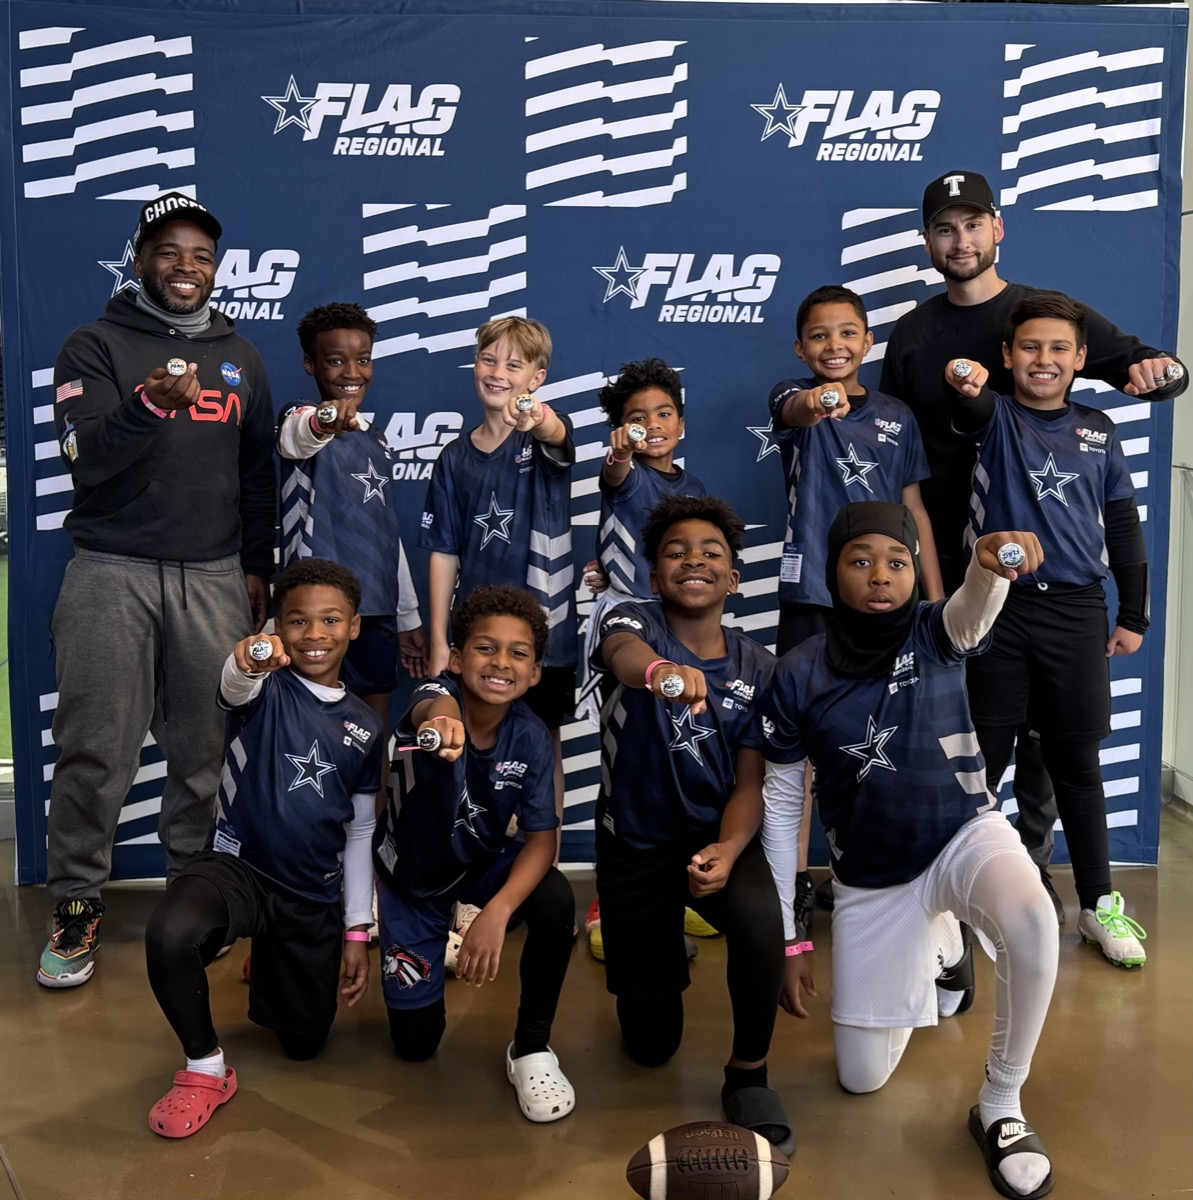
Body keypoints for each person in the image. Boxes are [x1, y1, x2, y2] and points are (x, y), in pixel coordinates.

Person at [878, 168, 1185, 915]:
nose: (960, 241)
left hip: (1059, 585)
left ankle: (1036, 874)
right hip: (956, 573)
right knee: (971, 741)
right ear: (927, 242)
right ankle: (965, 885)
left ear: (997, 229)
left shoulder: (1045, 315)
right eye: (945, 229)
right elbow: (889, 446)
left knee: (1058, 748)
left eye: (972, 225)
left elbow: (1151, 369)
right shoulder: (914, 333)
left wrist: (1167, 372)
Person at [761, 501, 1059, 1200]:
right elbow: (780, 808)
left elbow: (970, 614)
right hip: (870, 876)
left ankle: (1001, 1104)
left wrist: (989, 568)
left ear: (913, 570)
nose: (879, 575)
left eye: (896, 561)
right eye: (860, 560)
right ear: (832, 572)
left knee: (1033, 920)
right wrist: (790, 938)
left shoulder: (933, 629)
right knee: (860, 1078)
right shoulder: (797, 672)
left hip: (961, 834)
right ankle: (945, 950)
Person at [40, 193, 275, 989]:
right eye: (169, 251)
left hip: (213, 575)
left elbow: (256, 474)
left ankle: (192, 896)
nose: (186, 267)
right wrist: (147, 406)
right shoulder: (94, 344)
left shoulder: (240, 356)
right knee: (95, 750)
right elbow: (85, 459)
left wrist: (257, 563)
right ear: (140, 260)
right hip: (112, 569)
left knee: (204, 751)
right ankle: (76, 902)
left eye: (201, 255)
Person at [143, 559, 382, 1138]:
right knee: (170, 934)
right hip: (238, 868)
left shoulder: (366, 727)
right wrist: (248, 660)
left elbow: (359, 833)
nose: (314, 633)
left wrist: (356, 930)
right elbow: (234, 682)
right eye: (297, 621)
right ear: (277, 626)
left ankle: (274, 954)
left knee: (303, 1044)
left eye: (331, 620)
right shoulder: (265, 686)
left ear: (354, 627)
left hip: (310, 891)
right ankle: (205, 1068)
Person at [945, 293, 1150, 968]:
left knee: (1076, 766)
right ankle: (960, 907)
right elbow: (968, 402)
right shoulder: (992, 416)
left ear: (1080, 358)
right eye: (1030, 346)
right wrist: (965, 380)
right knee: (982, 764)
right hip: (997, 610)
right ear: (1007, 355)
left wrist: (1132, 615)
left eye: (1059, 348)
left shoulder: (1098, 429)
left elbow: (1122, 524)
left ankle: (1096, 905)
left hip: (1076, 612)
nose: (1044, 359)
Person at [590, 494, 791, 1151]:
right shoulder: (633, 621)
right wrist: (659, 671)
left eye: (710, 552)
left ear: (733, 578)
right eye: (675, 553)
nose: (693, 560)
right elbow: (622, 652)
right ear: (655, 577)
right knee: (650, 1048)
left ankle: (749, 1071)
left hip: (712, 840)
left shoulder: (759, 667)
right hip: (635, 845)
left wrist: (730, 849)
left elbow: (749, 783)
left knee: (759, 917)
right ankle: (660, 950)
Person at [767, 284, 943, 944]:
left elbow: (914, 511)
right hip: (811, 600)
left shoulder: (897, 415)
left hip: (888, 610)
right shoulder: (792, 398)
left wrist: (932, 600)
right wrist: (819, 401)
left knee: (881, 742)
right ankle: (791, 886)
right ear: (799, 348)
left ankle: (864, 873)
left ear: (868, 342)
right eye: (819, 335)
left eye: (847, 334)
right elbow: (797, 407)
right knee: (799, 751)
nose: (834, 345)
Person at [373, 584, 576, 1123]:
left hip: (480, 864)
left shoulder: (531, 737)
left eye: (518, 653)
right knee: (416, 1044)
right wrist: (443, 722)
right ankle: (435, 937)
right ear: (458, 659)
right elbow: (430, 707)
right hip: (412, 880)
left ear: (535, 673)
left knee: (554, 898)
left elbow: (542, 840)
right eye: (486, 648)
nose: (501, 662)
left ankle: (531, 1048)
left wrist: (498, 912)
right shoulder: (434, 698)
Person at [419, 317, 576, 819]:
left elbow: (556, 431)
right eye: (489, 360)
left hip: (545, 628)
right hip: (476, 634)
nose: (498, 373)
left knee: (543, 740)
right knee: (474, 739)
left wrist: (537, 417)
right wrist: (440, 640)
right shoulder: (453, 457)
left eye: (514, 365)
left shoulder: (541, 437)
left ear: (537, 378)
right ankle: (479, 854)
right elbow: (443, 551)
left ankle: (545, 853)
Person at [580, 356, 709, 955]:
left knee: (674, 758)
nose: (652, 425)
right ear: (620, 430)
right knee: (624, 760)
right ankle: (608, 907)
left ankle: (673, 895)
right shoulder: (626, 471)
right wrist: (619, 455)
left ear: (681, 423)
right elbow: (615, 476)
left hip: (678, 627)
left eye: (663, 414)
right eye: (637, 418)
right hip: (627, 628)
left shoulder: (694, 487)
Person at [278, 302, 426, 737]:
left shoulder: (377, 440)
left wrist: (408, 616)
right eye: (335, 360)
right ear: (311, 364)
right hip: (315, 612)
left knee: (370, 733)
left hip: (376, 609)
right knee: (310, 732)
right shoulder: (296, 416)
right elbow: (299, 435)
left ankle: (370, 790)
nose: (352, 372)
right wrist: (325, 421)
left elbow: (386, 534)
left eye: (362, 359)